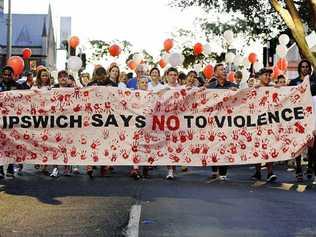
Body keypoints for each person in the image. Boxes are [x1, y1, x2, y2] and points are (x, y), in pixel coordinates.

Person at [206, 63, 237, 181]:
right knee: (213, 145)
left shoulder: (233, 86)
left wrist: (235, 92)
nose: (224, 71)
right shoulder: (210, 87)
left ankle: (223, 173)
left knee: (224, 145)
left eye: (225, 69)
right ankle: (214, 169)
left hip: (227, 122)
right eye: (221, 69)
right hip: (213, 121)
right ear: (215, 73)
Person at [289, 59, 316, 181]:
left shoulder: (314, 82)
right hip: (298, 116)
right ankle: (299, 168)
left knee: (311, 144)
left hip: (311, 117)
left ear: (309, 69)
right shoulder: (294, 82)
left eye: (307, 67)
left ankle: (310, 167)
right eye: (303, 66)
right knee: (298, 143)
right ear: (299, 68)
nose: (305, 68)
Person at [0, 66, 27, 179]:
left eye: (8, 74)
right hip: (1, 120)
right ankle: (0, 169)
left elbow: (27, 96)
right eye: (4, 74)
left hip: (13, 121)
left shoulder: (18, 86)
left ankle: (11, 167)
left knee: (12, 144)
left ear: (13, 75)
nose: (6, 76)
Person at [251, 68, 278, 182]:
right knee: (257, 146)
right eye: (265, 75)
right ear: (260, 76)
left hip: (270, 122)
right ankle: (257, 172)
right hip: (257, 122)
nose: (268, 77)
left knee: (270, 146)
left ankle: (270, 172)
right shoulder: (255, 88)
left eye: (269, 75)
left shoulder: (272, 87)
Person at [130, 76, 151, 179]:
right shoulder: (132, 94)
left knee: (146, 145)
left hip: (148, 124)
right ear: (138, 84)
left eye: (146, 83)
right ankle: (135, 167)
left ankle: (145, 166)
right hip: (136, 124)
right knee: (136, 145)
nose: (144, 84)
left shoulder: (151, 95)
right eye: (142, 83)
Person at [164, 67, 182, 180]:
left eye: (175, 74)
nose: (173, 76)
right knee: (168, 145)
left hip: (179, 120)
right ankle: (170, 169)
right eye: (171, 74)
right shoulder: (163, 89)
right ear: (167, 76)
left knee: (177, 144)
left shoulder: (181, 89)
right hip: (165, 121)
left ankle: (174, 164)